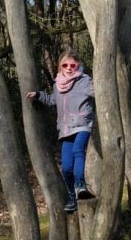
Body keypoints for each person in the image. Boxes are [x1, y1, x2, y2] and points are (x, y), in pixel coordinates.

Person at [26, 53, 94, 212]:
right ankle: (73, 197)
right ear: (60, 66)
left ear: (78, 66)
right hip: (65, 129)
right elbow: (52, 100)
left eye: (73, 65)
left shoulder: (84, 81)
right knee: (66, 168)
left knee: (79, 150)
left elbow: (99, 93)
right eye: (65, 65)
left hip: (82, 124)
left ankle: (80, 186)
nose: (69, 68)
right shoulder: (58, 85)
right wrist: (38, 95)